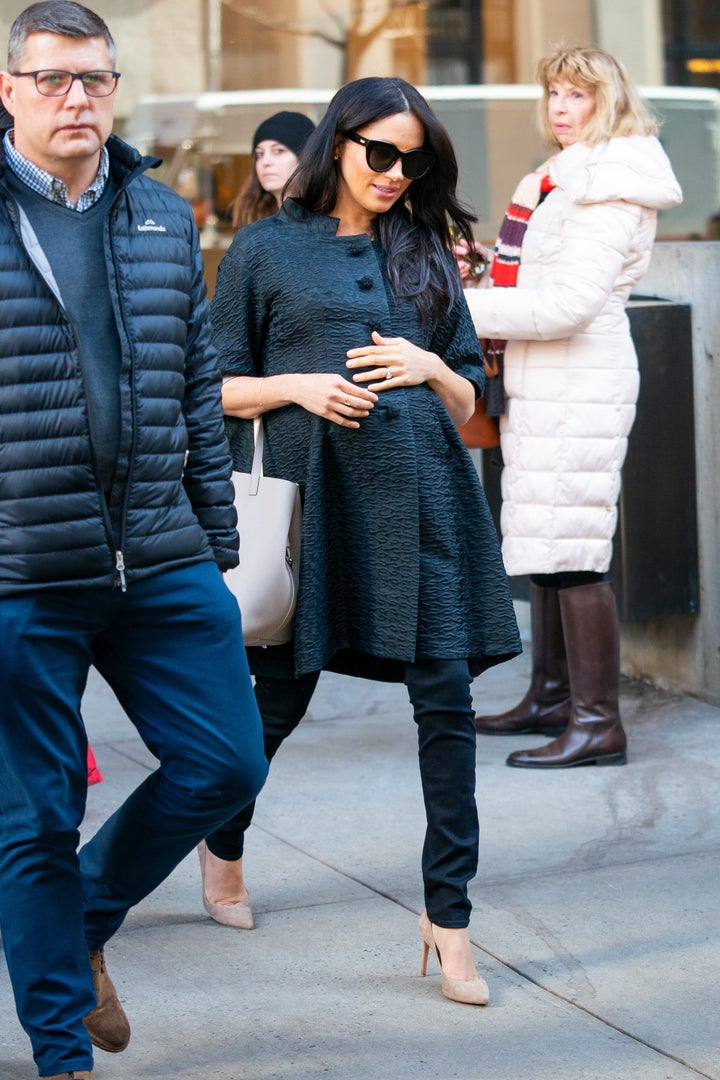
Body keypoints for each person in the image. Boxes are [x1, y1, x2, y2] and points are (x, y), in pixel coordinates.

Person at [207, 75, 521, 1006]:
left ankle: (450, 924)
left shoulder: (425, 245)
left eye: (411, 158)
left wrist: (431, 365)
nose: (394, 172)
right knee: (271, 714)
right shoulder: (264, 249)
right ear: (337, 144)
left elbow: (469, 400)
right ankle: (222, 846)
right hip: (316, 517)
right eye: (378, 152)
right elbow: (212, 385)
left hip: (426, 515)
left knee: (448, 716)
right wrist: (297, 386)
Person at [0, 4, 267, 1078]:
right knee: (35, 817)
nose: (79, 100)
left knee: (226, 763)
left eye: (96, 81)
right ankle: (63, 1053)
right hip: (24, 567)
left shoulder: (156, 214)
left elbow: (198, 391)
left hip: (160, 554)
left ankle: (85, 921)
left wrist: (214, 539)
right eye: (56, 79)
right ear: (9, 88)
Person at [459, 46, 682, 768]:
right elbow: (541, 277)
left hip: (580, 372)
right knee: (546, 538)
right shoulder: (562, 178)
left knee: (575, 549)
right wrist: (486, 267)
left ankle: (597, 721)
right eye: (553, 92)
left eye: (577, 94)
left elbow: (570, 302)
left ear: (608, 99)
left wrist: (457, 305)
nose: (560, 106)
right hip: (545, 374)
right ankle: (552, 695)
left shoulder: (609, 184)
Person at [229, 109, 315, 228]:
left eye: (278, 151)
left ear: (306, 158)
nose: (265, 162)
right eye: (259, 154)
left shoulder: (328, 224)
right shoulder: (251, 220)